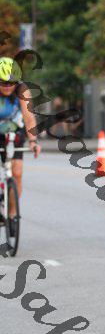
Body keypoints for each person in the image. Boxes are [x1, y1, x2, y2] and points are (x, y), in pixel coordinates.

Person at [0, 57, 41, 232]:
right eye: (3, 83)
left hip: (15, 132)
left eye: (12, 83)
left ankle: (12, 214)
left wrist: (33, 141)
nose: (8, 86)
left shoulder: (22, 90)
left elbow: (29, 117)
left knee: (17, 172)